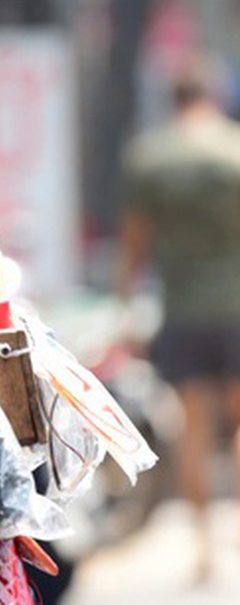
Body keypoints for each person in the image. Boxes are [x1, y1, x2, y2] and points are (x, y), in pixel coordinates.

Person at [116, 54, 240, 583]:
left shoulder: (153, 157)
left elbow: (136, 244)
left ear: (174, 101)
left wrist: (126, 306)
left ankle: (206, 548)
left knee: (193, 426)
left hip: (184, 310)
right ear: (210, 97)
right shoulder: (235, 150)